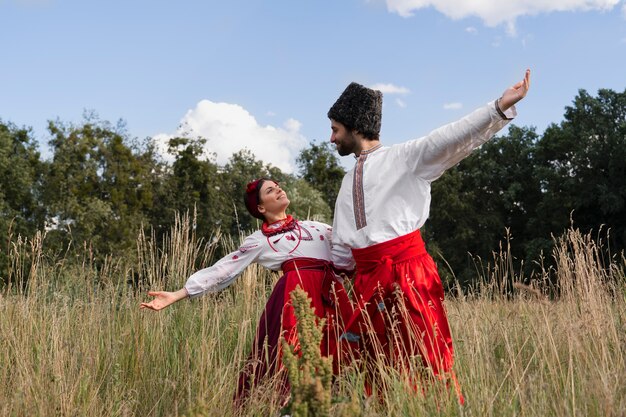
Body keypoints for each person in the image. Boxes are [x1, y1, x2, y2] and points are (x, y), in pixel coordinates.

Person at [327, 70, 531, 400]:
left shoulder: (405, 159)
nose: (332, 138)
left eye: (336, 130)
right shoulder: (345, 183)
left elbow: (450, 138)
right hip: (367, 283)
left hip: (407, 275)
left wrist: (497, 108)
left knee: (425, 361)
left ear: (355, 126)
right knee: (378, 371)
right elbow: (340, 244)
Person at [140, 178, 353, 404]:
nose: (279, 189)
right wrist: (177, 294)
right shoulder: (261, 240)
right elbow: (224, 269)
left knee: (343, 351)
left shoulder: (316, 226)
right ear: (261, 208)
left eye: (277, 186)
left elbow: (348, 250)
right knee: (294, 355)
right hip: (296, 296)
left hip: (330, 294)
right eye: (271, 190)